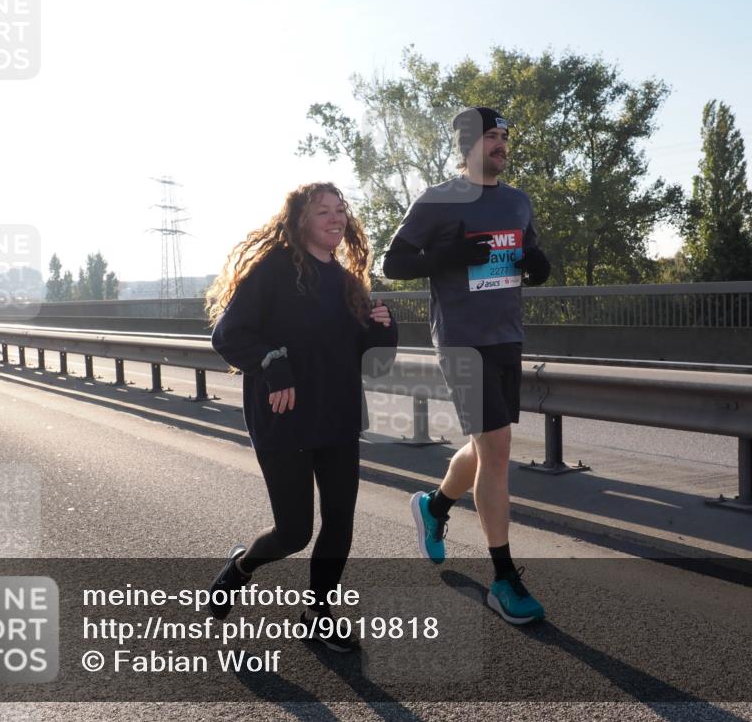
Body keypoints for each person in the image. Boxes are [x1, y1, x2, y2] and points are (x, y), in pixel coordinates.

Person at [204, 182, 398, 652]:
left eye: (340, 211)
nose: (335, 219)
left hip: (337, 415)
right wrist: (274, 364)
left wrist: (381, 331)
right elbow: (228, 335)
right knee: (294, 532)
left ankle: (317, 613)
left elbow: (365, 358)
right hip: (284, 418)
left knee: (340, 520)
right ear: (300, 222)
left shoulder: (349, 282)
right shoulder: (273, 271)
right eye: (322, 213)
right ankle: (242, 566)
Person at [381, 107, 551, 625]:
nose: (500, 145)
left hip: (506, 336)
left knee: (485, 447)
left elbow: (531, 256)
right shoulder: (437, 200)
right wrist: (449, 255)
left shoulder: (518, 201)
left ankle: (433, 507)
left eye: (503, 137)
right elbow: (392, 265)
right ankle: (503, 579)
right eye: (491, 138)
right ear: (467, 145)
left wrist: (536, 264)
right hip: (460, 341)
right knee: (498, 448)